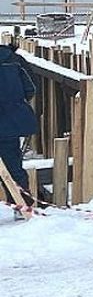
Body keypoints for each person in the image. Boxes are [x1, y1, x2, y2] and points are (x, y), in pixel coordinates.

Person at [0, 43, 36, 205]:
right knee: (13, 167)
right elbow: (31, 89)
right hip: (10, 122)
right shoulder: (15, 59)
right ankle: (21, 206)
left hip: (9, 121)